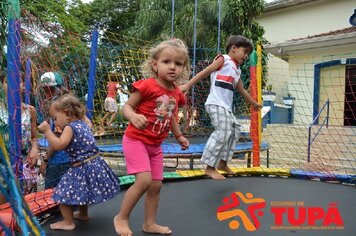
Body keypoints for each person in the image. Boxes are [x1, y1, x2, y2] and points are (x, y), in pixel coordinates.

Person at [113, 38, 190, 236]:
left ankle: (149, 224)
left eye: (178, 63)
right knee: (144, 180)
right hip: (135, 140)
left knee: (156, 185)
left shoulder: (177, 94)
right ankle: (121, 217)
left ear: (183, 67)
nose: (172, 67)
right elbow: (126, 107)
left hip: (155, 146)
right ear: (155, 65)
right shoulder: (146, 86)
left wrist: (179, 135)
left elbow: (171, 115)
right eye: (167, 62)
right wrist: (134, 116)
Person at [180, 35, 262, 180]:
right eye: (244, 51)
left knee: (235, 130)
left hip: (226, 108)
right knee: (223, 131)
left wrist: (254, 104)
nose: (246, 55)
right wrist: (187, 85)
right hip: (215, 103)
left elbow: (242, 91)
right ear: (234, 49)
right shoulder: (223, 59)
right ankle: (209, 167)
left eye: (248, 54)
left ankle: (222, 163)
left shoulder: (237, 70)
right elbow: (205, 72)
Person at [37, 94, 120, 231]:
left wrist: (47, 131)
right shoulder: (82, 123)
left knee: (61, 193)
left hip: (81, 166)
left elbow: (59, 145)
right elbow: (88, 125)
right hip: (94, 163)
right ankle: (83, 214)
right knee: (83, 190)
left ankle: (68, 222)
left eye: (55, 118)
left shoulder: (70, 127)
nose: (55, 122)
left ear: (67, 113)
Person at [39, 71, 93, 189]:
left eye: (50, 90)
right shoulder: (69, 103)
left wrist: (46, 160)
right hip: (73, 159)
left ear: (58, 88)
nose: (47, 93)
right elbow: (88, 124)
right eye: (45, 90)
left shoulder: (59, 107)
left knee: (55, 196)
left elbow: (57, 140)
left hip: (60, 161)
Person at [0, 70, 39, 196]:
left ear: (23, 85)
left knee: (27, 205)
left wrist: (34, 149)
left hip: (25, 164)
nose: (13, 85)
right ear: (2, 85)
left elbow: (34, 137)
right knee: (5, 208)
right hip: (3, 165)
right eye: (7, 82)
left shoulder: (30, 110)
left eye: (18, 81)